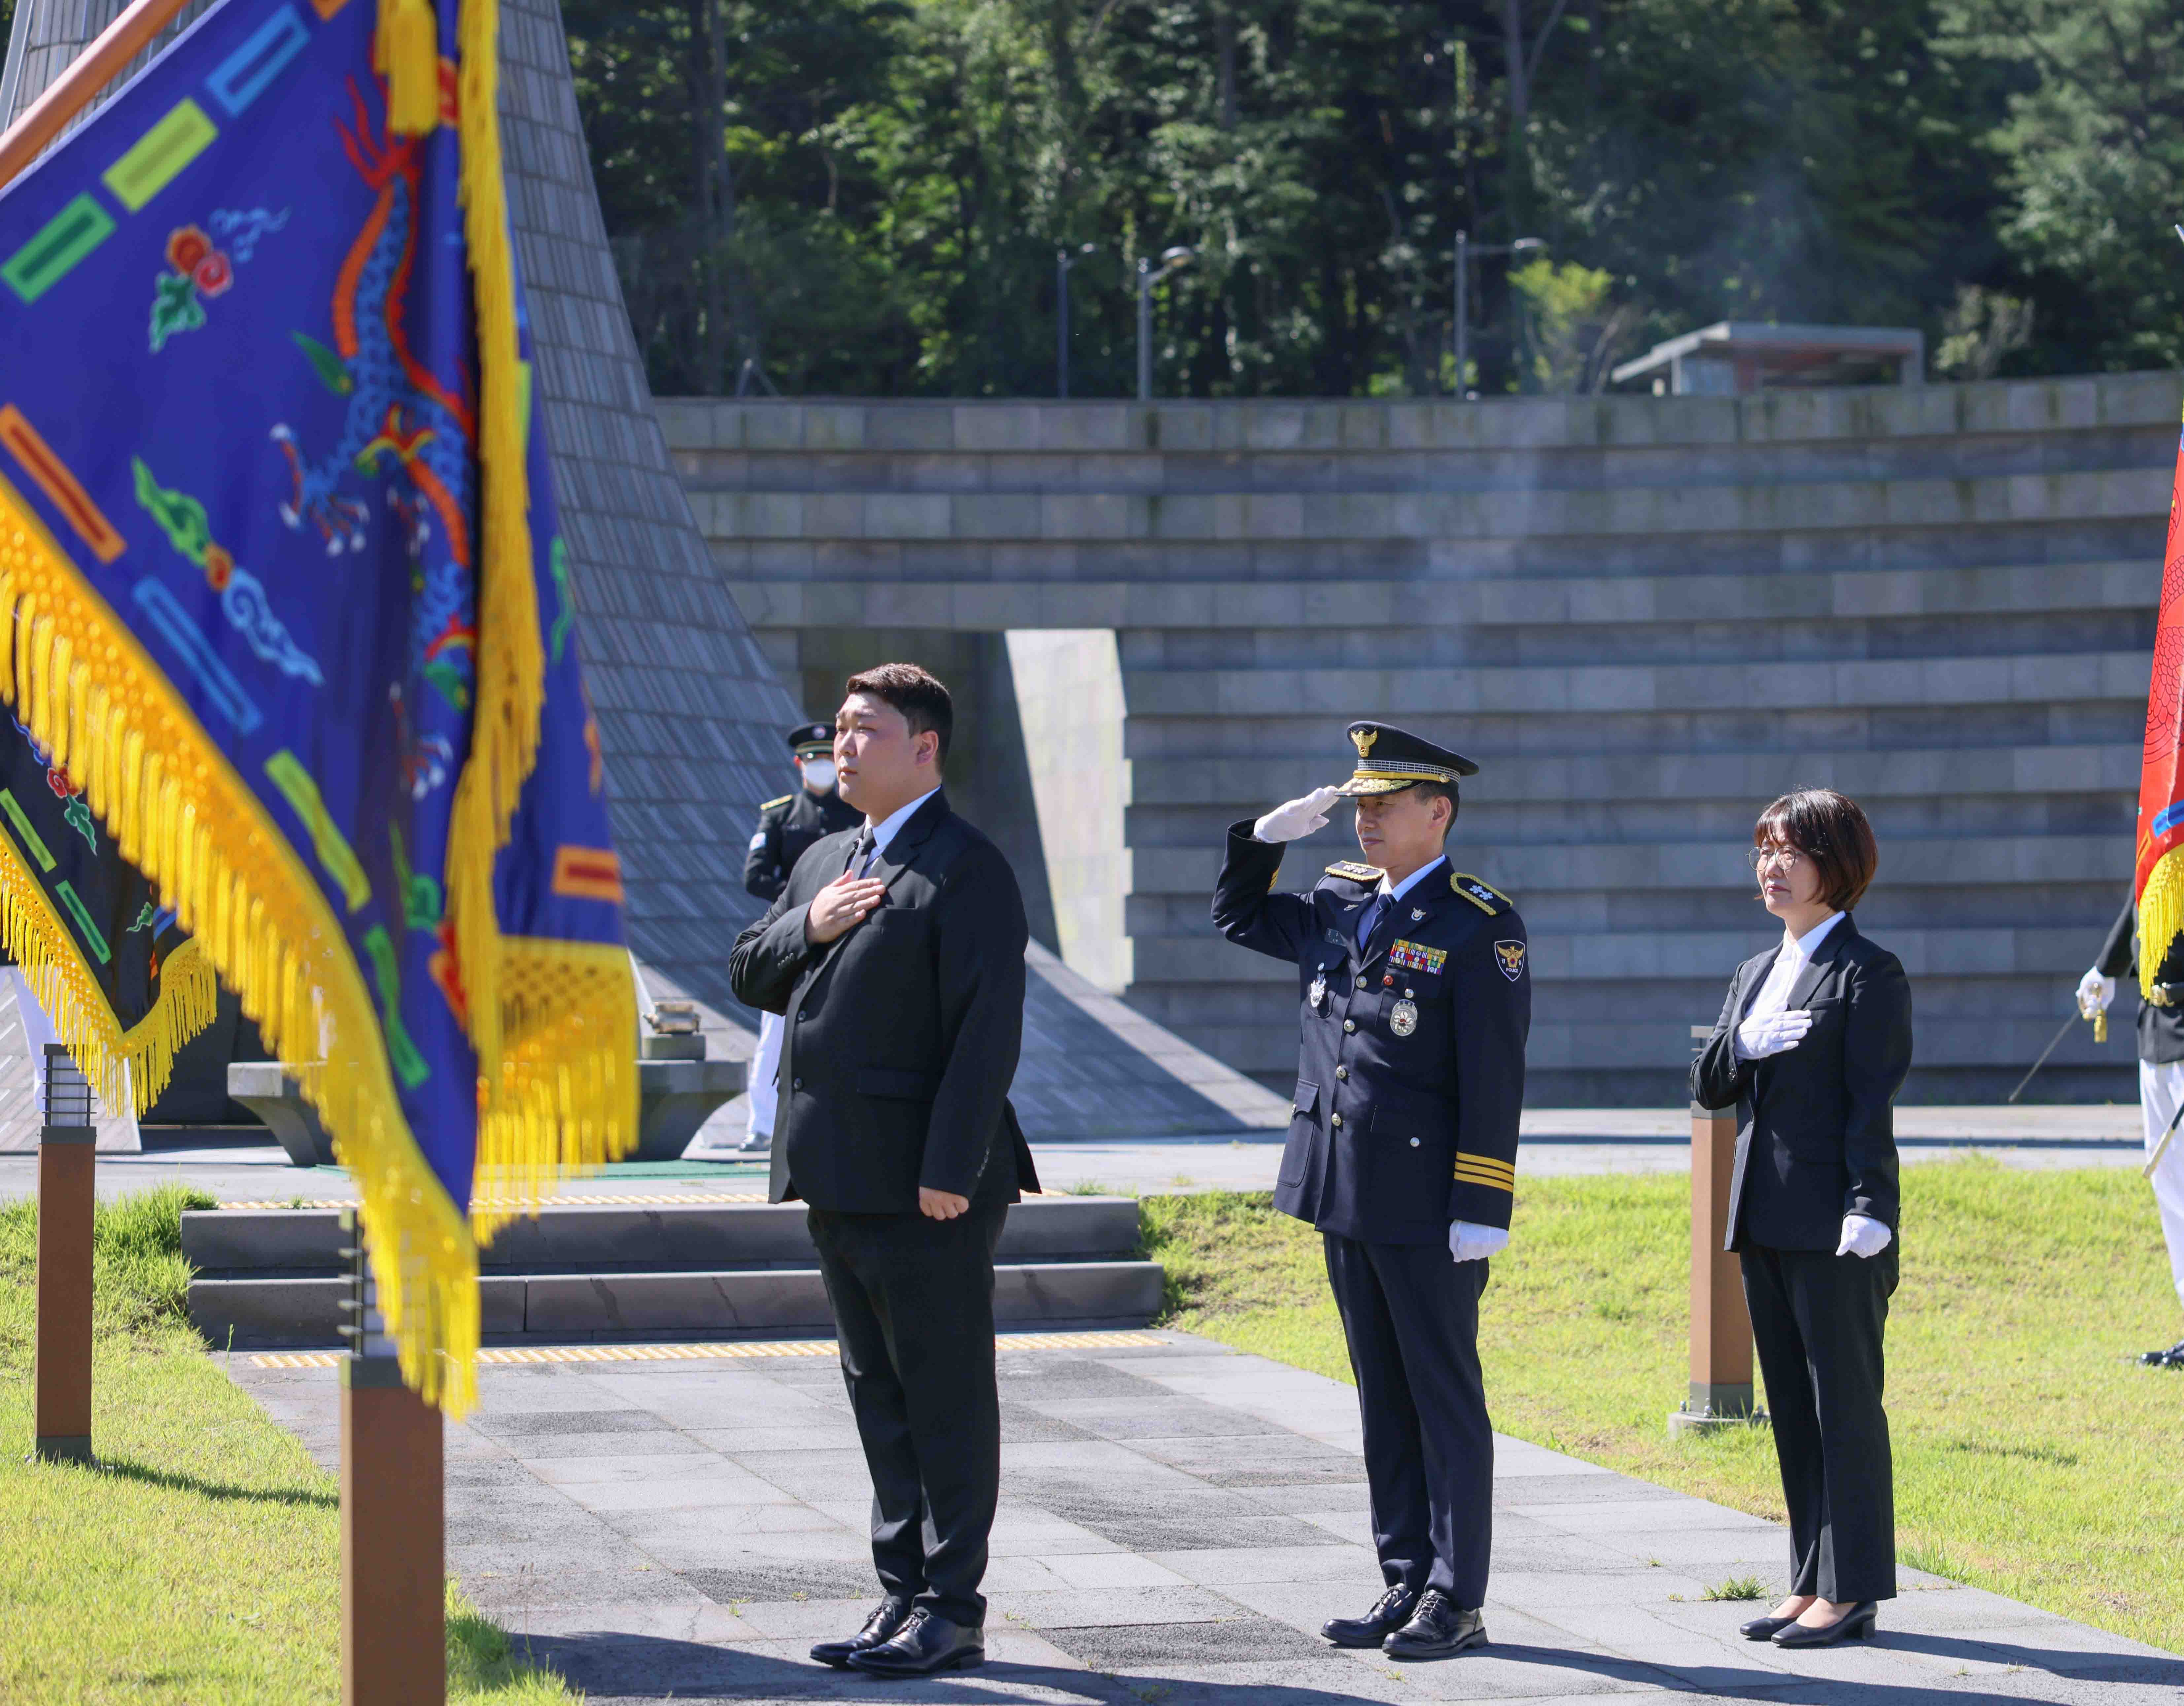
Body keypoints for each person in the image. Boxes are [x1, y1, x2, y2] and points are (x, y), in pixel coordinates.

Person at [728, 662, 1038, 1678]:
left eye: (866, 730)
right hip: (838, 1174)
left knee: (943, 1392)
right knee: (877, 1392)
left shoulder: (968, 867)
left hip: (927, 1185)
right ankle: (900, 1591)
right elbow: (749, 968)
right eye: (841, 730)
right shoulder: (823, 861)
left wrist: (953, 1165)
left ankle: (953, 1604)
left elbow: (986, 1034)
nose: (844, 747)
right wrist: (806, 926)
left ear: (925, 748)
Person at [1213, 722, 1527, 1660]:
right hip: (1340, 1186)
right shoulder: (1338, 901)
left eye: (1385, 806)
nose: (1365, 822)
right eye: (1357, 806)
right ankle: (1403, 1580)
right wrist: (1261, 840)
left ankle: (1456, 1597)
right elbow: (1238, 918)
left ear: (1440, 811)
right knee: (1381, 1396)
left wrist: (1483, 1205)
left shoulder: (1479, 923)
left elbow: (1494, 1076)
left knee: (1442, 1398)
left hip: (1429, 1198)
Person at [1690, 789, 1913, 1649]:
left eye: (1791, 851)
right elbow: (1710, 1085)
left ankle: (1852, 1588)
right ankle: (1808, 1578)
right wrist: (1745, 1041)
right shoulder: (1754, 972)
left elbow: (1871, 1106)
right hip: (1765, 1217)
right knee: (1791, 1404)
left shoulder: (1866, 972)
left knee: (1845, 1405)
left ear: (1836, 864)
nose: (1771, 866)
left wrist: (1870, 1211)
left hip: (1835, 1223)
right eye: (1763, 851)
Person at [739, 720, 861, 1152]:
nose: (821, 767)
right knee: (774, 1033)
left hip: (846, 934)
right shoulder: (780, 814)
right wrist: (803, 901)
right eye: (813, 760)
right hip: (793, 934)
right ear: (799, 765)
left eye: (827, 758)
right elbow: (755, 877)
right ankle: (762, 1127)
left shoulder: (858, 816)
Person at [2078, 896, 2184, 1368]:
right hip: (2157, 1026)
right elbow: (2145, 890)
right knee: (2174, 1192)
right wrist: (2107, 967)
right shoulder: (2156, 823)